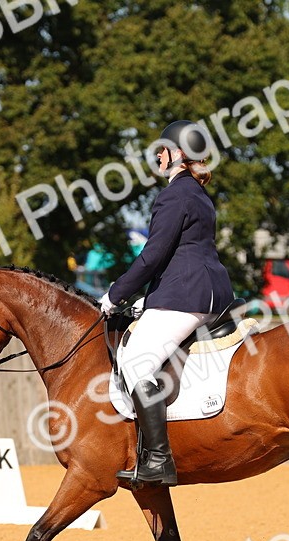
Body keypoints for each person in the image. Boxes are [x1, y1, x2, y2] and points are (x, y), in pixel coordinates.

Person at [100, 120, 234, 486]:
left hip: (188, 293)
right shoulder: (199, 195)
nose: (157, 156)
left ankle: (158, 460)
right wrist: (150, 298)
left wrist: (115, 295)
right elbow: (183, 254)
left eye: (162, 150)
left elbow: (153, 255)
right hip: (206, 290)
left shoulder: (174, 195)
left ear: (176, 153)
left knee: (136, 361)